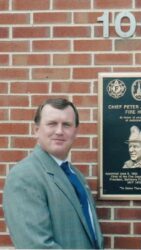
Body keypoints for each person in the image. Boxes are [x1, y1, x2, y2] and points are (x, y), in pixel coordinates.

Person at [3, 98, 103, 249]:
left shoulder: (75, 175)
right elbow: (35, 245)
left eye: (67, 125)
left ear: (76, 131)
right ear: (36, 130)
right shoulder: (25, 176)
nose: (59, 131)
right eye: (52, 124)